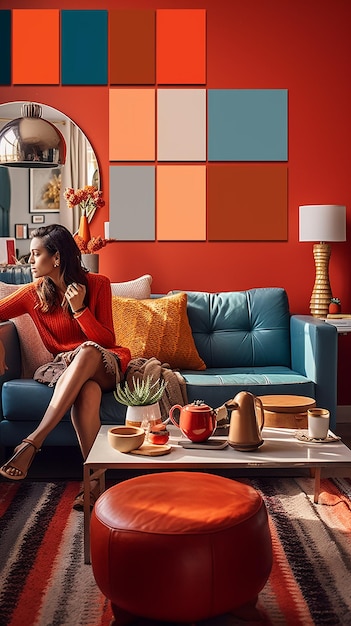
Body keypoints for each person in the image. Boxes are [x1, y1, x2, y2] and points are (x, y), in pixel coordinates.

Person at [0, 224, 131, 509]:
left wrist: (80, 309)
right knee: (86, 394)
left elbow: (107, 340)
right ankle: (94, 482)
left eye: (35, 255)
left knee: (86, 351)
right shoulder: (32, 294)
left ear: (56, 257)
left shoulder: (98, 283)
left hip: (105, 363)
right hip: (69, 369)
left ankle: (34, 440)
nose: (30, 261)